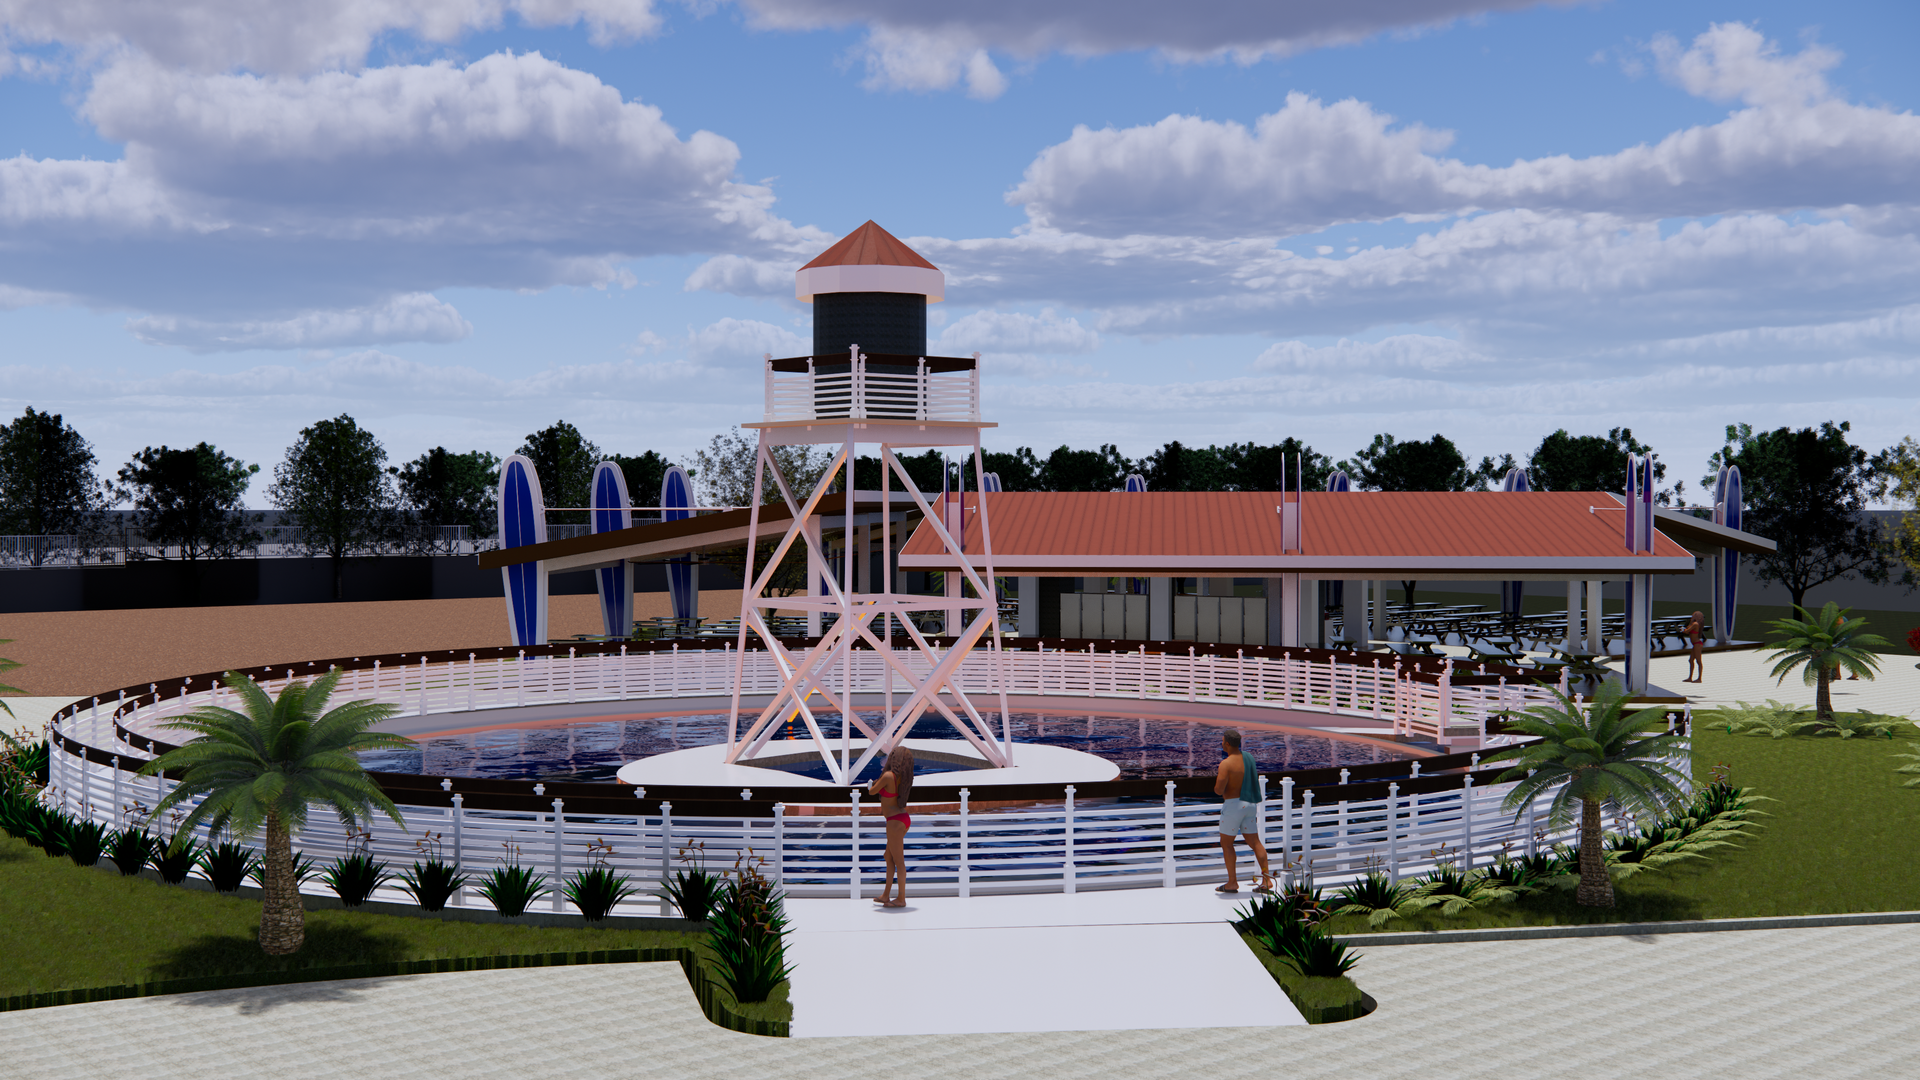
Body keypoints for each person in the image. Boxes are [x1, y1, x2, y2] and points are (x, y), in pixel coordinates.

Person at [1213, 729, 1273, 894]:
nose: (1221, 743)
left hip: (1233, 806)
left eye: (1222, 741)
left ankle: (1232, 882)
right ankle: (1267, 880)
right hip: (1250, 804)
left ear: (1227, 743)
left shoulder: (1226, 764)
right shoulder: (1249, 758)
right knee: (1255, 842)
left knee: (1227, 844)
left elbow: (1219, 790)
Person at [868, 744, 914, 908]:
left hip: (894, 821)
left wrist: (872, 784)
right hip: (902, 818)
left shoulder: (888, 776)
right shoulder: (902, 778)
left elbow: (872, 791)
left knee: (899, 861)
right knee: (889, 857)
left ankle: (901, 899)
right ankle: (886, 895)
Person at [1685, 610, 1705, 683]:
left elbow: (1687, 631)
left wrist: (1684, 630)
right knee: (1691, 660)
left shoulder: (1695, 624)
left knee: (1698, 661)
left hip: (1697, 644)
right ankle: (1690, 677)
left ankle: (1699, 678)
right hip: (1695, 644)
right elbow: (1688, 629)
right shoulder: (1693, 624)